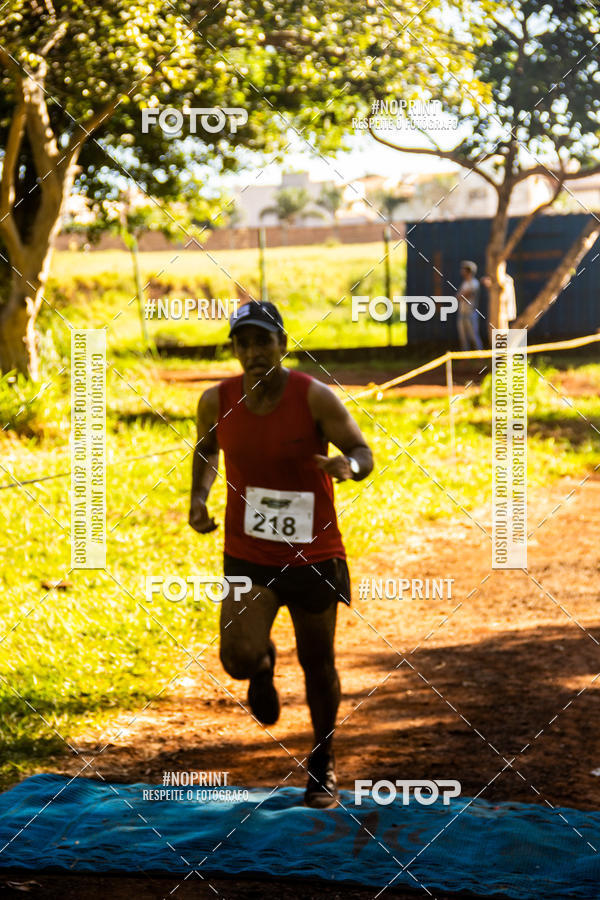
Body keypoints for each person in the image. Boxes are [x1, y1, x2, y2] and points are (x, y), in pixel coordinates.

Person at [188, 300, 374, 809]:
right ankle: (264, 665)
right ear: (235, 350)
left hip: (314, 555)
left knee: (319, 662)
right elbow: (207, 450)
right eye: (242, 343)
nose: (252, 352)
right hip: (248, 554)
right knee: (237, 657)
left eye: (262, 341)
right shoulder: (216, 399)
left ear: (282, 345)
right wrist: (199, 497)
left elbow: (363, 453)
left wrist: (347, 468)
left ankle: (323, 762)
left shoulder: (315, 399)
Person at [456, 260, 483, 351]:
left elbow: (464, 295)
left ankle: (480, 357)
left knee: (473, 336)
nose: (461, 271)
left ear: (468, 271)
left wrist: (462, 295)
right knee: (463, 338)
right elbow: (459, 296)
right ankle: (465, 359)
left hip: (471, 313)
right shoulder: (464, 283)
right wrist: (462, 295)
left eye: (463, 269)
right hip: (462, 312)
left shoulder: (475, 283)